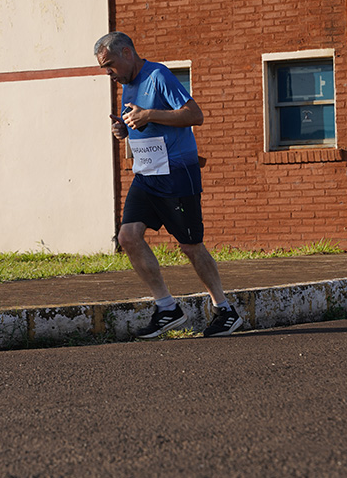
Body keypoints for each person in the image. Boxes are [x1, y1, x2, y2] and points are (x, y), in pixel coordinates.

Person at [94, 31, 241, 339]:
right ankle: (167, 308)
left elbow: (195, 115)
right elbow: (141, 124)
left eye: (109, 65)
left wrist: (149, 114)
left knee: (190, 245)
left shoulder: (158, 75)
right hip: (146, 175)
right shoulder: (127, 85)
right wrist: (125, 130)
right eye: (104, 68)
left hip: (176, 174)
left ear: (127, 53)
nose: (108, 73)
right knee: (128, 237)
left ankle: (225, 310)